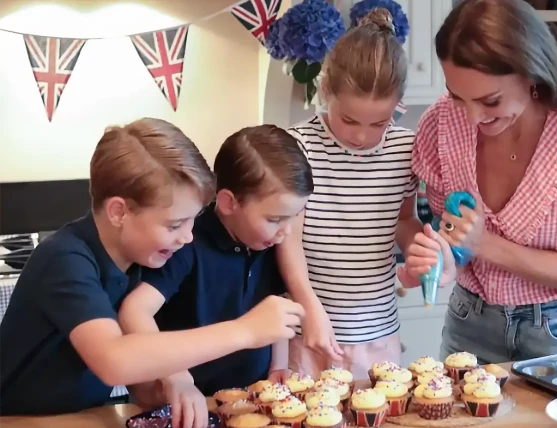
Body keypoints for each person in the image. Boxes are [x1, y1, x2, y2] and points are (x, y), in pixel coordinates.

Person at [0, 119, 304, 417]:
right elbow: (114, 360)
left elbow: (139, 380)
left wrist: (172, 380)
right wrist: (245, 330)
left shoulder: (138, 262)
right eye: (174, 224)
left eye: (191, 221)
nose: (187, 237)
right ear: (119, 212)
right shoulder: (64, 259)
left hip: (84, 414)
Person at [404, 0, 557, 363]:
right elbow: (453, 239)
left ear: (532, 74)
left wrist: (484, 244)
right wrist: (445, 260)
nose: (473, 117)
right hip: (468, 322)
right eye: (458, 96)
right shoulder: (440, 123)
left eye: (490, 100)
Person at [277, 8, 452, 379]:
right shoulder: (298, 147)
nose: (361, 136)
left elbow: (404, 219)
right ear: (326, 90)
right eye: (349, 120)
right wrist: (309, 307)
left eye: (379, 123)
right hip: (308, 331)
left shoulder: (406, 149)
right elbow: (287, 239)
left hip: (378, 335)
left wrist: (421, 244)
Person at [118, 125, 314, 428]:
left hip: (251, 401)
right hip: (192, 405)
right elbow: (134, 310)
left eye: (295, 216)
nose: (286, 231)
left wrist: (278, 365)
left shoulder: (267, 242)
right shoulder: (187, 242)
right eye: (275, 219)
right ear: (228, 203)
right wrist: (176, 375)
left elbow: (275, 306)